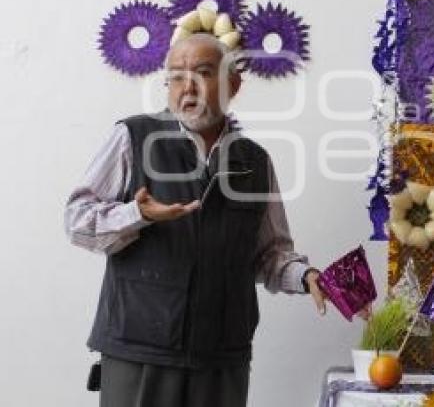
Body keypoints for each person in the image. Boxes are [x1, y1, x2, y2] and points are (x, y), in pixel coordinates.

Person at [65, 33, 326, 407]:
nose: (187, 86)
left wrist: (305, 276)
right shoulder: (132, 137)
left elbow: (269, 255)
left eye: (203, 72)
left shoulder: (255, 161)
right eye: (175, 75)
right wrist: (136, 214)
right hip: (140, 352)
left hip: (222, 358)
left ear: (232, 85)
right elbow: (75, 219)